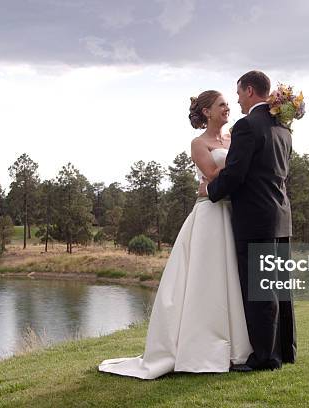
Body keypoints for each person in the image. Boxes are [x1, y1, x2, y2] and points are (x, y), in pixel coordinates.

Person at [98, 90, 252, 379]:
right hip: (209, 213)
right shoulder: (198, 143)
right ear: (207, 112)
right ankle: (202, 348)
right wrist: (240, 168)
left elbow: (229, 175)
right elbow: (211, 174)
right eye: (221, 105)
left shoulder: (234, 138)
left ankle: (236, 349)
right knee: (207, 280)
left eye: (228, 105)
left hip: (233, 212)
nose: (227, 108)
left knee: (232, 277)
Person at [199, 70, 296, 371]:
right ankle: (285, 351)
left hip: (255, 218)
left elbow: (237, 173)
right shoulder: (283, 128)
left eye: (238, 93)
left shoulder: (247, 126)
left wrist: (210, 190)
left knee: (261, 293)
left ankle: (265, 358)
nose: (237, 100)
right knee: (280, 289)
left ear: (250, 90)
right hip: (280, 216)